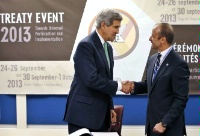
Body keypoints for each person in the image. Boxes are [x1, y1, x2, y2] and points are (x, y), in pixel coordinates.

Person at [63, 9, 132, 134]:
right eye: (115, 27)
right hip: (82, 117)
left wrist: (110, 107)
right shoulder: (86, 45)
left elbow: (107, 79)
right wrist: (120, 86)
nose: (118, 31)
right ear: (103, 25)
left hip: (101, 116)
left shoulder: (108, 48)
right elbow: (91, 80)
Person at [130, 23, 190, 136]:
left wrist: (164, 123)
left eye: (153, 36)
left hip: (169, 129)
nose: (149, 38)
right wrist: (133, 86)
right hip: (152, 126)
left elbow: (181, 99)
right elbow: (149, 85)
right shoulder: (152, 60)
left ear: (162, 39)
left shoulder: (178, 64)